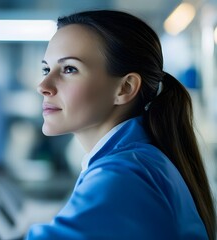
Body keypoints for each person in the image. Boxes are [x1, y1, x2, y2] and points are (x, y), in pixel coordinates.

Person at [25, 10, 216, 240]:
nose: (43, 85)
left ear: (125, 88)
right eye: (47, 69)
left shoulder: (124, 175)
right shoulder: (137, 160)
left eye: (69, 69)